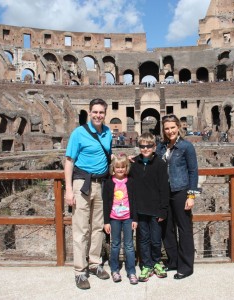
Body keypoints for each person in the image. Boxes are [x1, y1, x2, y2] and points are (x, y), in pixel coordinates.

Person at [65, 98, 112, 289]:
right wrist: (68, 189)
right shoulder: (78, 133)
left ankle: (94, 264)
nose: (98, 115)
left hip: (101, 184)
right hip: (81, 184)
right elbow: (69, 161)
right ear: (90, 112)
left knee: (98, 227)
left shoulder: (108, 132)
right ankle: (79, 271)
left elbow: (106, 156)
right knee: (81, 229)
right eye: (95, 112)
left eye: (101, 112)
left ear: (105, 113)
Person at [156, 114, 199, 280]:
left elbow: (193, 171)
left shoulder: (186, 147)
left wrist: (192, 195)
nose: (170, 131)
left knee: (184, 229)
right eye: (166, 128)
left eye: (172, 127)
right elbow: (151, 161)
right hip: (165, 193)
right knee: (166, 229)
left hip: (181, 191)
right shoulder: (161, 147)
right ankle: (173, 261)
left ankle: (186, 266)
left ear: (178, 127)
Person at [129, 132, 169, 282]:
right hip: (140, 209)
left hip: (155, 209)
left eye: (149, 146)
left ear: (154, 147)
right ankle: (146, 264)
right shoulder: (134, 164)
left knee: (156, 238)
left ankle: (156, 261)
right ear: (138, 147)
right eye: (142, 146)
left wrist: (163, 209)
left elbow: (164, 188)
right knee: (143, 238)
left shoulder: (160, 164)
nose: (145, 149)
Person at [102, 154, 138, 285]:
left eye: (123, 167)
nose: (120, 170)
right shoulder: (109, 182)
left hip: (128, 218)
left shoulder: (131, 181)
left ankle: (131, 271)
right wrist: (106, 221)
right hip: (114, 218)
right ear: (113, 168)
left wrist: (135, 218)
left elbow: (134, 201)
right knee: (115, 244)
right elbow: (106, 203)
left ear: (127, 168)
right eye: (117, 167)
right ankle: (115, 270)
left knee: (129, 245)